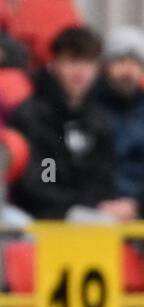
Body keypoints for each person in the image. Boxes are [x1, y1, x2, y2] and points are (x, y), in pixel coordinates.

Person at [9, 26, 120, 219]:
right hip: (39, 217)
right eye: (72, 61)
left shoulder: (99, 120)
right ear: (54, 65)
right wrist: (78, 207)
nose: (80, 71)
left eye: (87, 63)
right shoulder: (32, 116)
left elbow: (104, 180)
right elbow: (40, 183)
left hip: (87, 213)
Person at [90, 26, 144, 208]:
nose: (128, 71)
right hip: (99, 205)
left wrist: (141, 203)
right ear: (105, 65)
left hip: (141, 205)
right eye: (120, 61)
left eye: (136, 63)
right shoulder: (90, 103)